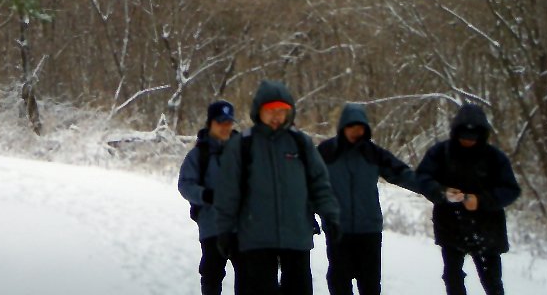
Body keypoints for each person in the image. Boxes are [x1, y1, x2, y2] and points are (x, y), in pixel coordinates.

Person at [213, 80, 341, 295]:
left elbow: (320, 184)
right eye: (270, 110)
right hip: (256, 239)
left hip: (296, 237)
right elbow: (228, 193)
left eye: (282, 111)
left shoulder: (301, 143)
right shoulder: (242, 145)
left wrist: (331, 216)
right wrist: (224, 230)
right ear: (258, 111)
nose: (276, 116)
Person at [416, 103, 520, 295]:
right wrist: (442, 192)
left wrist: (481, 201)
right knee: (452, 278)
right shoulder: (440, 152)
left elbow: (511, 189)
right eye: (463, 136)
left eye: (473, 137)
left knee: (492, 282)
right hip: (450, 224)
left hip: (487, 228)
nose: (468, 141)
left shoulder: (495, 158)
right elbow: (422, 178)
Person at [317, 103, 421, 295]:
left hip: (369, 230)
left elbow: (401, 173)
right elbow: (308, 183)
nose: (356, 131)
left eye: (361, 127)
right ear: (343, 127)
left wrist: (433, 189)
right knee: (339, 284)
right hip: (338, 230)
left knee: (370, 284)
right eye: (352, 127)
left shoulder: (372, 153)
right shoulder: (326, 152)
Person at [178, 100, 241, 295]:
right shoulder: (198, 155)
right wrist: (205, 195)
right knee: (212, 275)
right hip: (211, 225)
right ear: (210, 123)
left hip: (242, 225)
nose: (225, 127)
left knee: (249, 276)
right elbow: (185, 185)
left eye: (229, 122)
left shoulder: (243, 152)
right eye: (220, 122)